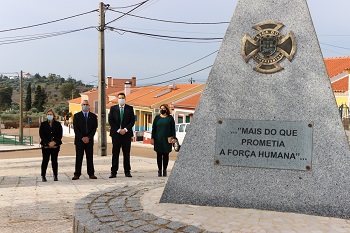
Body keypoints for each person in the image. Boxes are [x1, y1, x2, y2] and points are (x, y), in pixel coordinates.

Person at [108, 93, 135, 178]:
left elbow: (132, 121)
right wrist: (119, 130)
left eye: (123, 98)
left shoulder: (130, 108)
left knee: (126, 153)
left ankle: (127, 171)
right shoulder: (113, 108)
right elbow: (111, 121)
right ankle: (113, 172)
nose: (121, 99)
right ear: (117, 99)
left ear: (125, 99)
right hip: (116, 134)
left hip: (126, 135)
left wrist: (125, 129)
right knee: (115, 153)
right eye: (120, 98)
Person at [72, 100, 98, 180]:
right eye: (84, 104)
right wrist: (82, 138)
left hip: (89, 140)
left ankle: (91, 173)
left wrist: (89, 137)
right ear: (81, 105)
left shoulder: (93, 116)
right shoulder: (76, 116)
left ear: (89, 105)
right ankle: (77, 174)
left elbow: (94, 128)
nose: (85, 106)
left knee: (90, 157)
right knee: (79, 157)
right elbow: (75, 128)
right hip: (80, 140)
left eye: (86, 104)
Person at [151, 104, 176, 177]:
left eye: (163, 109)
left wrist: (173, 138)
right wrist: (152, 138)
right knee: (159, 155)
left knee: (166, 155)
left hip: (167, 139)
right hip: (158, 139)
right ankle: (159, 170)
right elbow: (154, 129)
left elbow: (173, 129)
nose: (162, 110)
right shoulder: (157, 118)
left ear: (166, 109)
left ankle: (164, 170)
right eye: (161, 108)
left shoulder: (170, 118)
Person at [39, 109, 63, 182]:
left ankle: (55, 175)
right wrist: (48, 143)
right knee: (45, 161)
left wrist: (54, 142)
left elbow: (60, 135)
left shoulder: (58, 124)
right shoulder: (43, 124)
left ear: (54, 115)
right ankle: (43, 176)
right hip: (46, 146)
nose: (50, 116)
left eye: (51, 114)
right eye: (48, 114)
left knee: (54, 161)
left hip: (55, 146)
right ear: (46, 115)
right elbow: (42, 135)